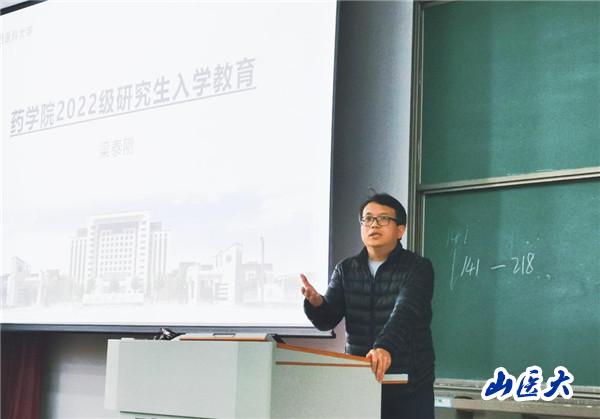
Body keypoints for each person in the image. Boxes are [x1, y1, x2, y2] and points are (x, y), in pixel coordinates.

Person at [301, 193, 435, 419]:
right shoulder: (346, 269)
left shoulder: (418, 267)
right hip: (362, 381)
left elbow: (406, 312)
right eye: (368, 219)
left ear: (400, 230)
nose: (374, 224)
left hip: (409, 384)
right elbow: (327, 320)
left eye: (383, 219)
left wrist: (384, 347)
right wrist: (316, 303)